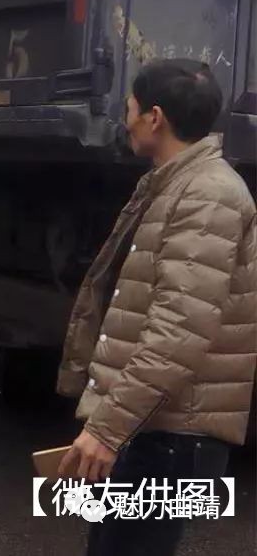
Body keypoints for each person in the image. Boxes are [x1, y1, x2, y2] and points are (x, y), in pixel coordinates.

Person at [55, 59, 256, 555]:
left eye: (129, 108)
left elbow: (176, 335)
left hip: (170, 438)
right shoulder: (178, 184)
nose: (125, 119)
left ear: (155, 117)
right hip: (155, 428)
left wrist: (106, 428)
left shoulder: (207, 196)